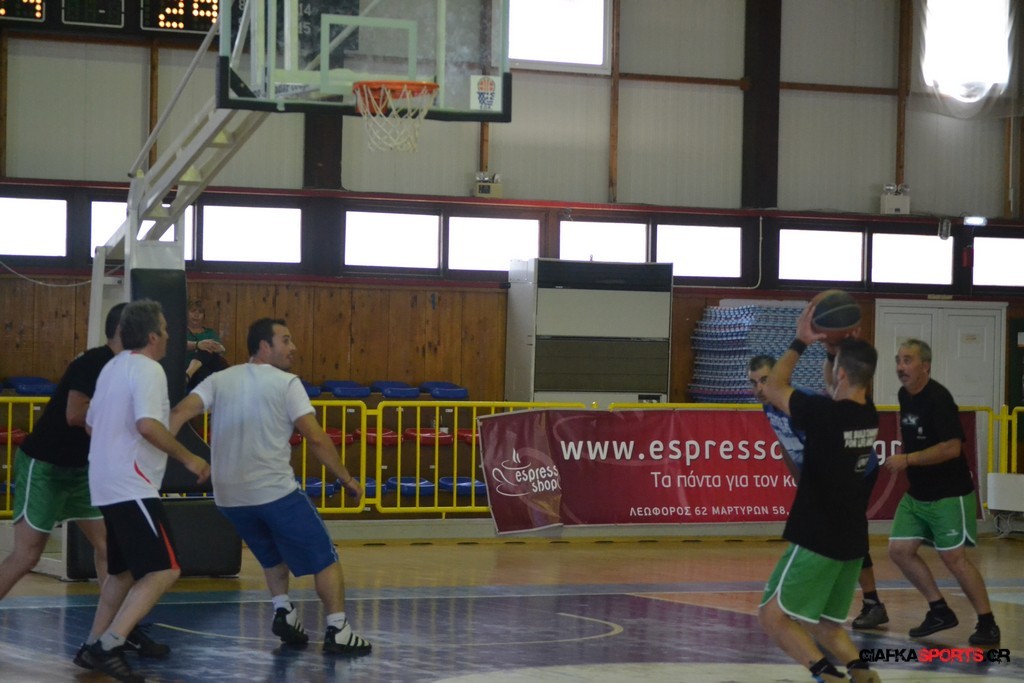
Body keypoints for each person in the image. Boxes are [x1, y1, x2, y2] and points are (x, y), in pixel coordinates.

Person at [169, 317, 372, 657]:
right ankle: (339, 629)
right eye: (286, 340)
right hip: (273, 491)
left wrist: (172, 458)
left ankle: (284, 610)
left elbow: (177, 413)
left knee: (270, 554)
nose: (293, 348)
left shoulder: (220, 379)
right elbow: (316, 439)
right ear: (264, 346)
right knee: (325, 558)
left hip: (229, 498)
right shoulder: (286, 383)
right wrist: (347, 479)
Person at [76, 299, 211, 683]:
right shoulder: (148, 369)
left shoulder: (112, 367)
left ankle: (92, 644)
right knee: (165, 569)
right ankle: (109, 645)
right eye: (165, 330)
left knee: (121, 573)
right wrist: (190, 458)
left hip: (105, 482)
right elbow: (148, 425)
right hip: (131, 483)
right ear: (152, 336)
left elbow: (90, 423)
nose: (168, 336)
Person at [757, 304, 881, 683]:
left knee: (772, 616)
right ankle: (863, 675)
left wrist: (801, 340)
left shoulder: (823, 415)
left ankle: (826, 676)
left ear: (842, 373)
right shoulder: (868, 413)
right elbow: (835, 386)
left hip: (818, 535)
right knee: (824, 623)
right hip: (851, 539)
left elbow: (774, 387)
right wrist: (834, 349)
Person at [749, 354, 889, 631]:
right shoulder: (769, 407)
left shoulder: (803, 403)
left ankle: (870, 603)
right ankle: (858, 602)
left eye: (765, 380)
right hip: (828, 475)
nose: (760, 389)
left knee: (844, 530)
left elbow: (829, 450)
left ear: (781, 378)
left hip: (857, 470)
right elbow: (785, 445)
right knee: (839, 532)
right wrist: (802, 484)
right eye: (753, 383)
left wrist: (819, 490)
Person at [885, 338, 1000, 645]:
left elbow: (951, 448)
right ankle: (939, 610)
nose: (900, 367)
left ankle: (987, 622)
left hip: (950, 493)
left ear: (925, 366)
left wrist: (908, 459)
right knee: (899, 551)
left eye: (907, 360)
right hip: (918, 494)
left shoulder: (939, 399)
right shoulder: (904, 395)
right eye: (898, 360)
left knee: (954, 559)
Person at [185, 299, 227, 390]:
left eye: (200, 312)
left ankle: (188, 374)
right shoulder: (181, 331)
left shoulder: (210, 332)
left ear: (204, 316)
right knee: (204, 369)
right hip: (192, 370)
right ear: (186, 313)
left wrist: (220, 349)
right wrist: (197, 345)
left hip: (210, 368)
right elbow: (178, 345)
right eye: (193, 311)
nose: (196, 315)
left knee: (208, 351)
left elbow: (220, 349)